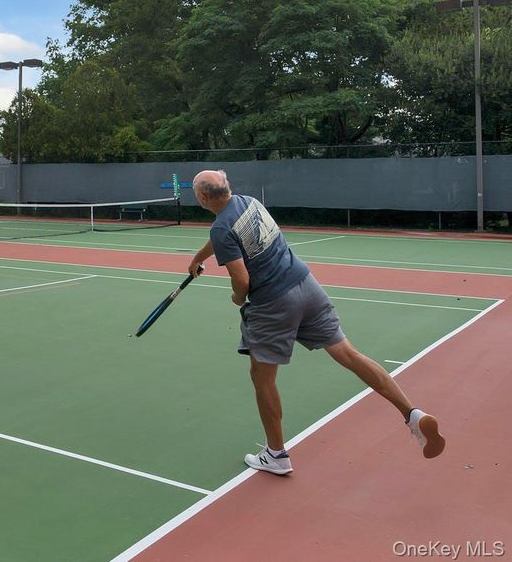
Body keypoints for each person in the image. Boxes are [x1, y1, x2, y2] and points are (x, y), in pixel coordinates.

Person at [186, 169, 443, 475]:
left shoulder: (221, 228)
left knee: (262, 378)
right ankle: (412, 415)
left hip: (274, 303)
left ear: (204, 197)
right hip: (306, 285)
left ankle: (276, 455)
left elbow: (241, 279)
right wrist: (198, 257)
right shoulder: (248, 202)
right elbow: (225, 234)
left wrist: (238, 298)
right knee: (350, 355)